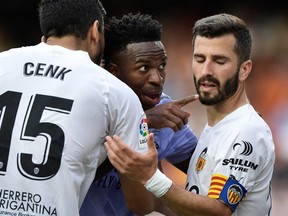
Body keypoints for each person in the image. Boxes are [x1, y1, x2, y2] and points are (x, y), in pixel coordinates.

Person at [104, 13, 276, 216]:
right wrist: (141, 125)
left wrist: (151, 177)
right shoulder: (215, 130)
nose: (206, 70)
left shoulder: (246, 131)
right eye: (200, 59)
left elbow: (218, 211)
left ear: (244, 69)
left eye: (220, 61)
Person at [0, 1, 157, 215]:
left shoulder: (3, 63)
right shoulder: (115, 92)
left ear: (45, 35)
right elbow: (141, 205)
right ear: (94, 31)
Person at [80, 12, 198, 216]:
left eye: (162, 66)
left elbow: (203, 172)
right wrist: (140, 123)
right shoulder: (89, 107)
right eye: (144, 68)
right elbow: (74, 173)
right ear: (113, 72)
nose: (157, 78)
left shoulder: (165, 110)